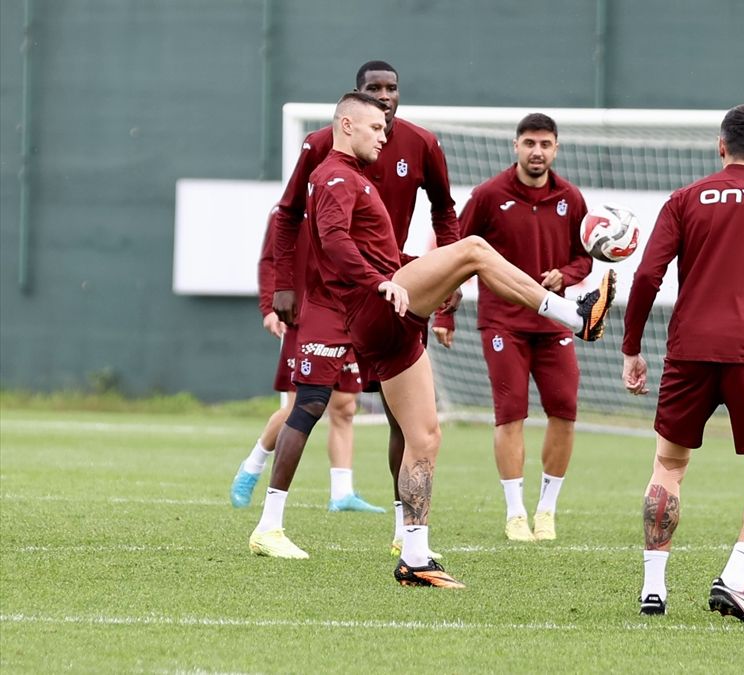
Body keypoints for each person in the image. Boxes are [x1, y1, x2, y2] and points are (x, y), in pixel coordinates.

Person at [303, 92, 615, 587]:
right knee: (473, 249)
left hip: (388, 309)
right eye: (376, 128)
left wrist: (415, 274)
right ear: (346, 125)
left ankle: (415, 556)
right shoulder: (335, 175)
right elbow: (334, 239)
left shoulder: (354, 175)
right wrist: (379, 283)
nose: (384, 136)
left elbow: (375, 252)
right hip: (377, 303)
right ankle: (574, 317)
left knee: (425, 437)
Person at [250, 60, 461, 560]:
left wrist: (446, 277)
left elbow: (444, 210)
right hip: (331, 293)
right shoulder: (324, 146)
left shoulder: (422, 144)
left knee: (401, 414)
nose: (385, 97)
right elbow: (288, 214)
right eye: (374, 89)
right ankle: (270, 525)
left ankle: (404, 530)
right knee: (310, 402)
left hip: (393, 287)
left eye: (392, 88)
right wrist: (283, 285)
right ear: (355, 100)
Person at [621, 104, 744, 622]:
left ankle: (653, 589)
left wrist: (632, 346)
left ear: (721, 145)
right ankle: (733, 578)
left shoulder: (686, 199)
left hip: (689, 350)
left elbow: (647, 277)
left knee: (668, 465)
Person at [435, 113, 591, 542]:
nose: (537, 151)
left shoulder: (571, 198)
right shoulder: (488, 195)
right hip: (503, 322)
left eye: (545, 144)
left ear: (556, 148)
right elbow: (455, 255)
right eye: (529, 143)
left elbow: (584, 257)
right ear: (515, 146)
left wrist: (565, 274)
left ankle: (546, 510)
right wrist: (445, 313)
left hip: (554, 323)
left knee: (565, 411)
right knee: (510, 413)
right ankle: (515, 513)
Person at [230, 208, 383, 516]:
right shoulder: (286, 211)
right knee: (297, 407)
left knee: (345, 407)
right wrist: (269, 308)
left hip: (346, 316)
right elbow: (270, 261)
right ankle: (251, 468)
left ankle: (342, 493)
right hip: (304, 319)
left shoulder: (350, 203)